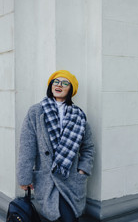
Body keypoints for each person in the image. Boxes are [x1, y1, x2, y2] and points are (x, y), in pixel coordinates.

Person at [17, 70, 94, 222]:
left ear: (71, 89)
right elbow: (27, 146)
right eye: (56, 82)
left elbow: (88, 148)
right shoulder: (36, 111)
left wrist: (83, 170)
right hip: (47, 178)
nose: (59, 85)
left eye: (65, 83)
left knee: (69, 218)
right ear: (51, 85)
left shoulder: (79, 115)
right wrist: (24, 177)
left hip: (71, 179)